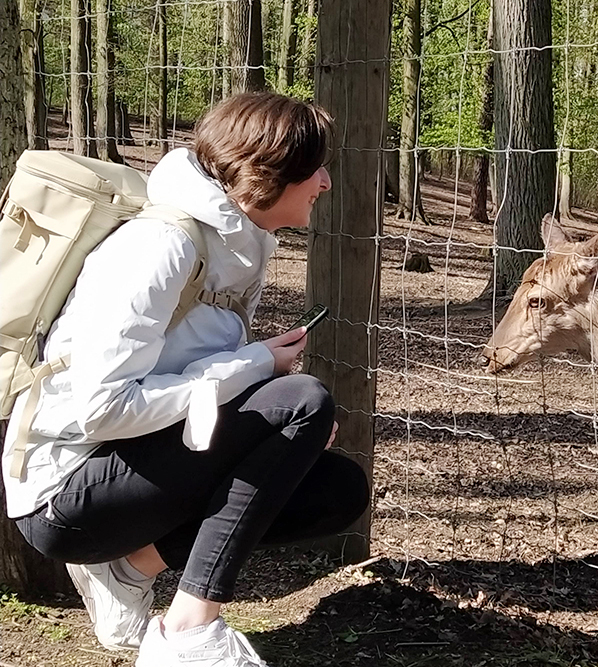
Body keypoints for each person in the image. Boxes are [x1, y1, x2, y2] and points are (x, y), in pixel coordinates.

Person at [1, 92, 370, 667]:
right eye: (314, 169)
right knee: (302, 398)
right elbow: (103, 409)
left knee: (335, 488)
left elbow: (184, 377)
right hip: (66, 490)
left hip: (129, 462)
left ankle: (130, 569)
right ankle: (190, 632)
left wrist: (273, 427)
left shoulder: (234, 245)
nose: (324, 181)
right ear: (265, 176)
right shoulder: (160, 246)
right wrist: (255, 370)